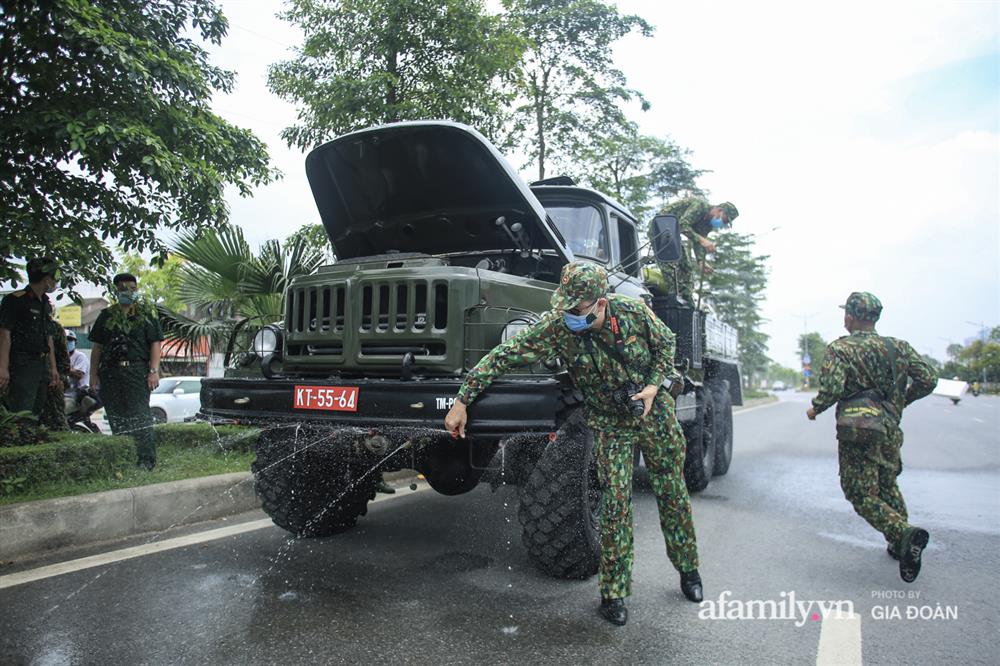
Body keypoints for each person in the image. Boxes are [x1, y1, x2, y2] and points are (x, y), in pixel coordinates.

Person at [444, 262, 701, 626]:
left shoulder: (633, 313)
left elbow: (666, 345)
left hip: (653, 414)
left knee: (672, 493)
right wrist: (462, 399)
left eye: (577, 308)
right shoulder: (557, 327)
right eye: (565, 306)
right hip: (610, 423)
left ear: (600, 303)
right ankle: (614, 593)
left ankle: (688, 570)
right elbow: (504, 356)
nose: (568, 315)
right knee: (615, 506)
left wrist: (653, 385)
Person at [806, 292, 936, 582]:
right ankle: (898, 545)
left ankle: (903, 534)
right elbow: (929, 379)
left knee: (859, 491)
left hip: (859, 428)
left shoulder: (841, 349)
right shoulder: (897, 347)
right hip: (889, 426)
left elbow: (832, 388)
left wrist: (816, 408)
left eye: (846, 314)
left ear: (850, 316)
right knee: (887, 482)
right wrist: (901, 401)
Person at [89, 273, 163, 469]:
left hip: (137, 371)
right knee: (116, 416)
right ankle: (124, 458)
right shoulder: (107, 316)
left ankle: (146, 460)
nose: (128, 292)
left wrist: (154, 371)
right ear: (116, 291)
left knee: (140, 415)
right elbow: (97, 348)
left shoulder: (146, 315)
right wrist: (93, 377)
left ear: (137, 290)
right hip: (111, 372)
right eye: (123, 289)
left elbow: (155, 343)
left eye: (132, 288)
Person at [0, 258, 62, 415]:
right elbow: (4, 335)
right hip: (21, 364)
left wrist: (53, 368)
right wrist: (3, 368)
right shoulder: (15, 300)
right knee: (21, 412)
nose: (55, 283)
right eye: (54, 279)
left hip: (41, 364)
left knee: (36, 412)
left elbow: (49, 337)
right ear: (46, 279)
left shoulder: (46, 304)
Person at [652, 198, 738, 306]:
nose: (722, 223)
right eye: (724, 220)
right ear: (719, 210)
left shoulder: (708, 224)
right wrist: (702, 240)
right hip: (660, 227)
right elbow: (683, 225)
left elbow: (699, 242)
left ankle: (687, 304)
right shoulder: (700, 206)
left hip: (673, 234)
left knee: (686, 268)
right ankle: (671, 303)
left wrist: (701, 261)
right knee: (671, 267)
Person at [40, 317, 71, 430]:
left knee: (57, 422)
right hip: (28, 378)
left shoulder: (54, 327)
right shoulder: (18, 322)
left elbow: (64, 359)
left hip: (52, 381)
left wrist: (61, 378)